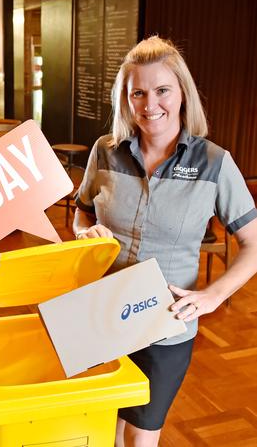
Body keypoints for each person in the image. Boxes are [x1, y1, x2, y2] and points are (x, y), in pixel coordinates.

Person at [73, 36, 257, 447]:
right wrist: (85, 231)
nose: (149, 103)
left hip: (166, 326)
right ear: (125, 98)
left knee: (141, 433)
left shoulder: (214, 163)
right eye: (137, 92)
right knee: (103, 424)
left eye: (161, 90)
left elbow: (254, 243)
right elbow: (82, 209)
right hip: (100, 312)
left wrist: (213, 295)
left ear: (181, 94)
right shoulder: (106, 151)